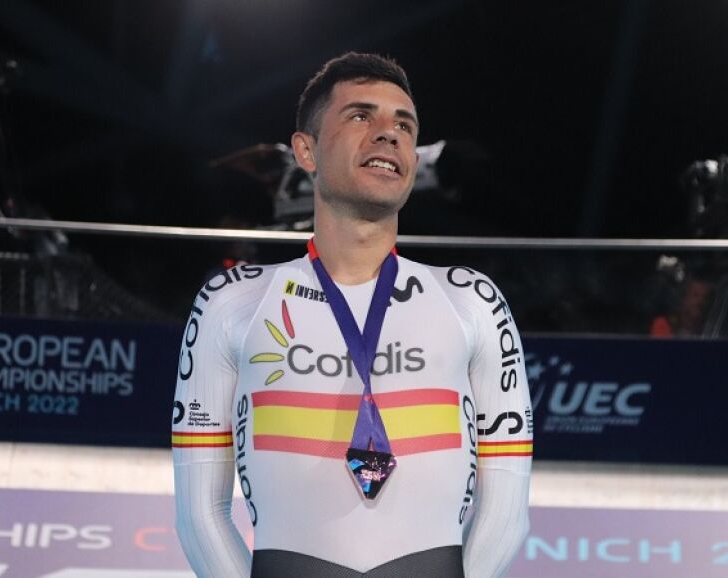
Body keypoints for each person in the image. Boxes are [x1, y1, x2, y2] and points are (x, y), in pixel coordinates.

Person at [172, 52, 532, 578]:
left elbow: (506, 515)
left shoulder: (473, 299)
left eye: (404, 125)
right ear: (306, 150)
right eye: (361, 115)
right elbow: (200, 515)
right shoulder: (230, 301)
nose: (388, 133)